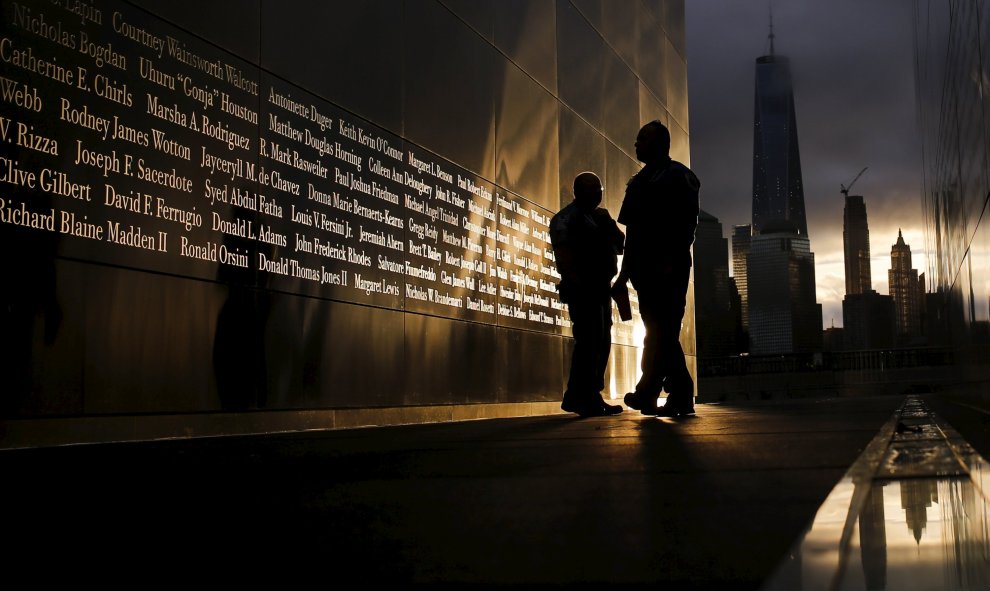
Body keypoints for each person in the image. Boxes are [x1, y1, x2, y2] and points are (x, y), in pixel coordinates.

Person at [613, 121, 700, 417]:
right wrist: (623, 275)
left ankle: (648, 390)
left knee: (662, 332)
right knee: (659, 334)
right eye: (637, 139)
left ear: (661, 143)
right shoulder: (637, 182)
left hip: (669, 269)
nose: (636, 144)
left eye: (643, 139)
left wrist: (671, 261)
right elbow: (633, 235)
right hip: (644, 272)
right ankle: (672, 394)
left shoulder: (679, 176)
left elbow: (686, 225)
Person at [549, 172, 625, 417]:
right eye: (592, 189)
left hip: (601, 287)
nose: (597, 194)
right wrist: (576, 282)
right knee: (589, 342)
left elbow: (620, 245)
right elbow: (564, 256)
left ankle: (587, 394)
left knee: (601, 341)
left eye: (599, 189)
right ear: (578, 191)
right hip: (582, 288)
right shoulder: (565, 219)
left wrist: (608, 225)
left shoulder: (600, 217)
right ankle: (583, 396)